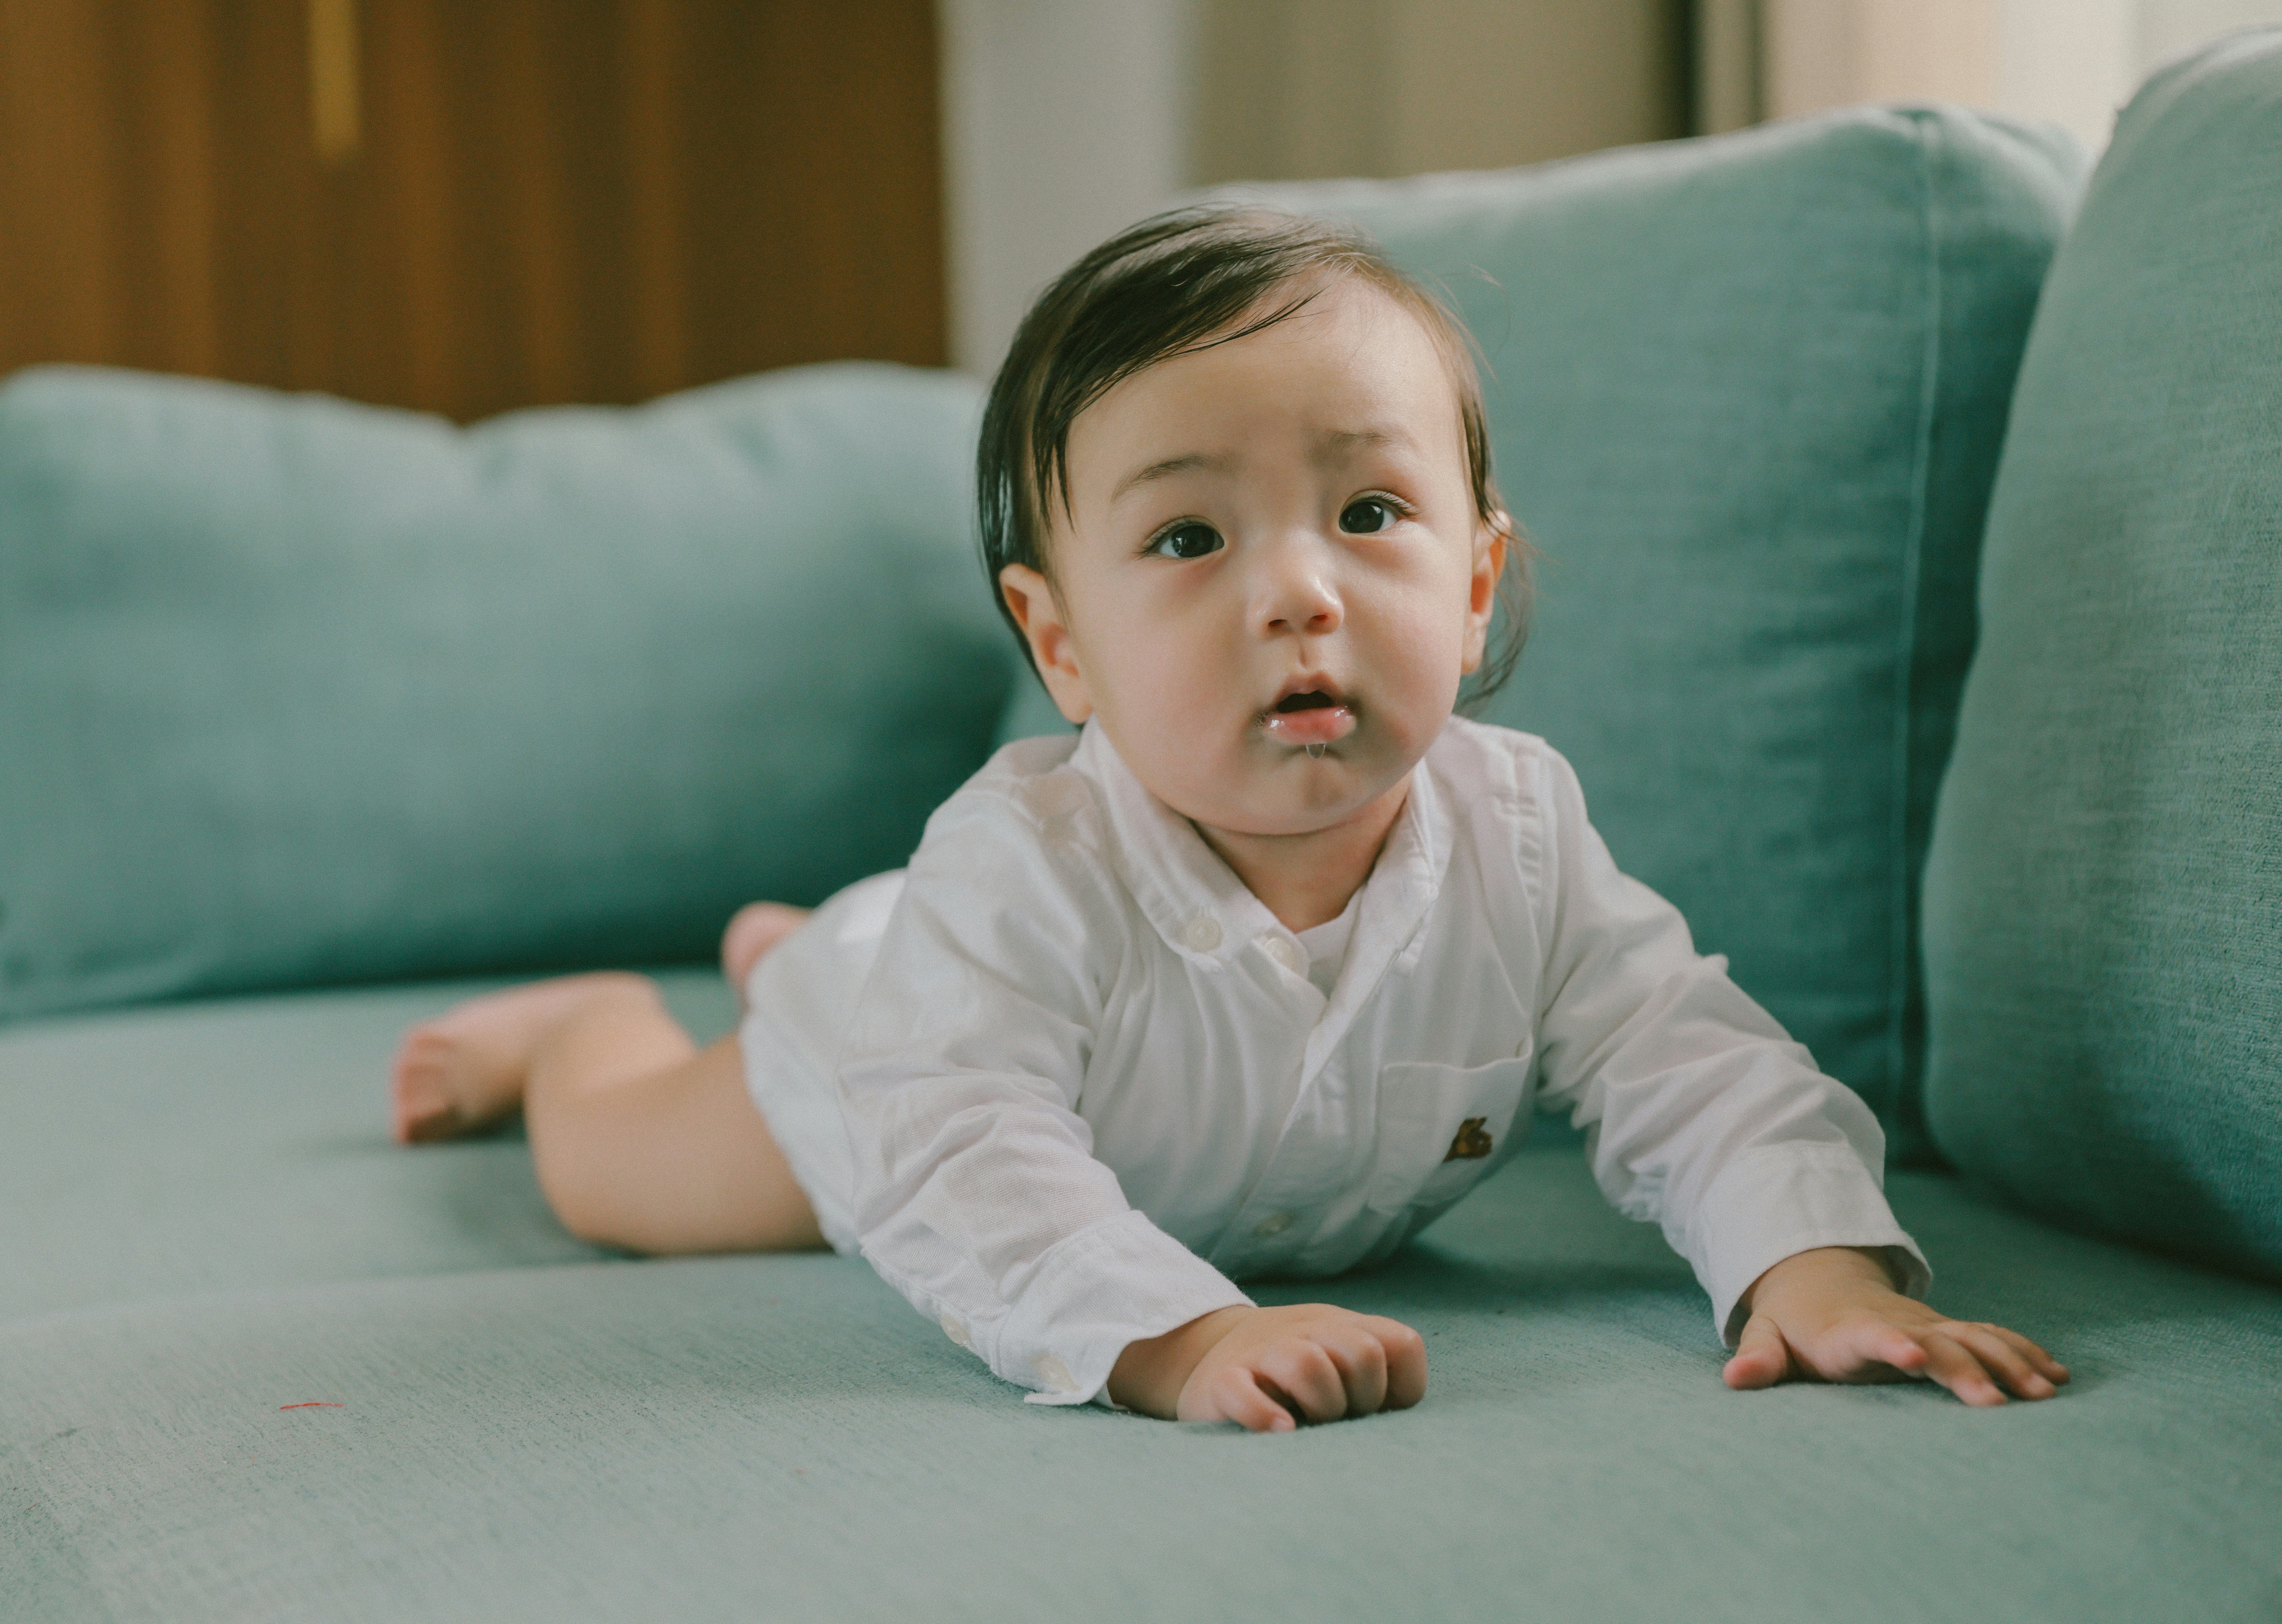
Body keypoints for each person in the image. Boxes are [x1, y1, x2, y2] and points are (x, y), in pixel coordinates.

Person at [390, 207, 2068, 1432]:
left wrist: (1817, 1263)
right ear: (1064, 645)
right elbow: (963, 1150)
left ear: (1476, 583)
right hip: (883, 1055)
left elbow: (1689, 1060)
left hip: (961, 974)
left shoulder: (1525, 840)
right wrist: (1173, 1334)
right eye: (1191, 539)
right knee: (612, 1167)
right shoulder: (1025, 869)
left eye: (1368, 511)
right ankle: (591, 1025)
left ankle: (804, 939)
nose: (1299, 593)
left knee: (892, 940)